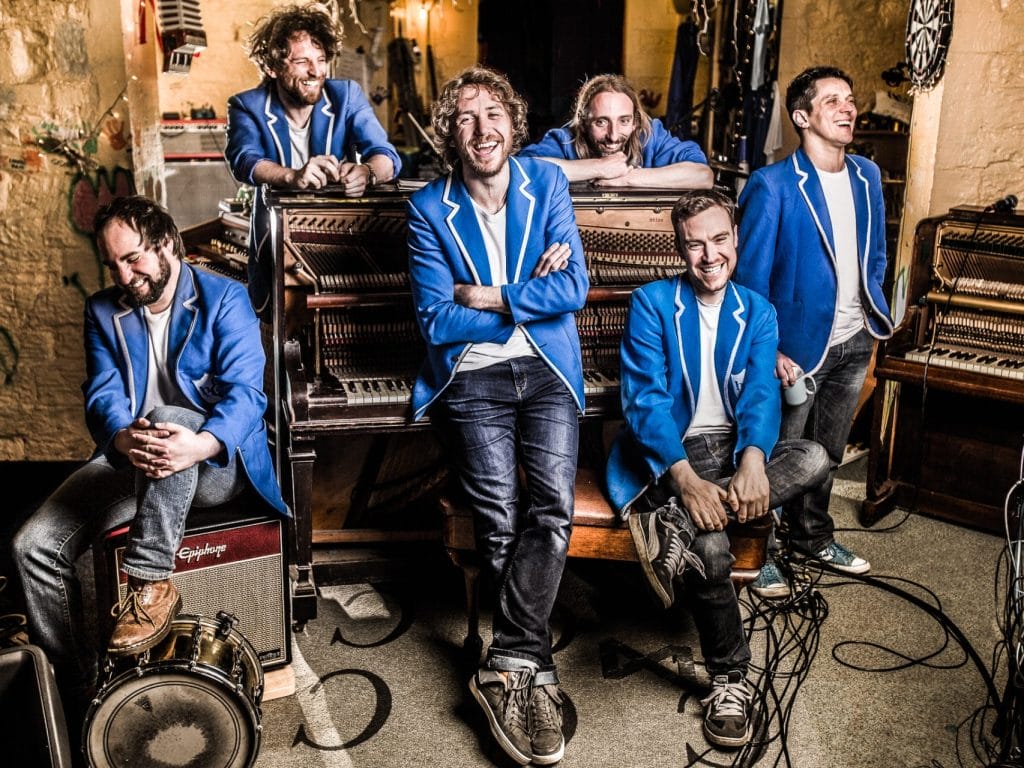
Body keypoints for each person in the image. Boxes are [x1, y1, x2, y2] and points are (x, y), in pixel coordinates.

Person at [12, 196, 288, 734]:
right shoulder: (101, 311)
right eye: (113, 263)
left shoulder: (225, 298)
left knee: (166, 415)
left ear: (166, 244)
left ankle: (150, 580)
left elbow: (248, 397)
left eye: (133, 258)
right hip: (135, 459)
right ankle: (76, 692)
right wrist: (120, 439)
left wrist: (199, 443)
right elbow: (102, 397)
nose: (124, 274)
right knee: (31, 546)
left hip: (212, 463)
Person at [407, 66, 589, 766]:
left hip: (546, 369)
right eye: (464, 118)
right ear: (451, 136)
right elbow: (434, 319)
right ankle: (531, 671)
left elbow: (572, 288)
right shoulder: (428, 208)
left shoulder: (547, 183)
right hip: (473, 378)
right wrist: (527, 295)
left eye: (493, 116)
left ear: (514, 123)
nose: (482, 130)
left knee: (552, 510)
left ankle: (506, 661)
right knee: (502, 518)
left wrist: (489, 296)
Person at [604, 188, 829, 749]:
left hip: (730, 450)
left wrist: (752, 459)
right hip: (673, 452)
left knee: (816, 457)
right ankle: (730, 678)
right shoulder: (652, 303)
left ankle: (677, 524)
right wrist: (683, 479)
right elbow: (644, 404)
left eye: (720, 240)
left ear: (735, 238)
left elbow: (760, 393)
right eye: (695, 245)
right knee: (711, 549)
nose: (710, 256)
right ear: (680, 249)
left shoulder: (757, 310)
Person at [735, 66, 894, 595]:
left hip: (854, 338)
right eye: (832, 101)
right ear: (802, 117)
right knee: (781, 450)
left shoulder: (868, 176)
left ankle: (812, 536)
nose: (848, 108)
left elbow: (875, 254)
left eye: (849, 99)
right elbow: (751, 280)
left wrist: (873, 311)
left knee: (827, 448)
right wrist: (770, 348)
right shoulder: (772, 184)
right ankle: (759, 548)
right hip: (796, 348)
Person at [225, 2, 402, 317]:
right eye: (302, 61)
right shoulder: (246, 105)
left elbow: (386, 155)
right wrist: (292, 177)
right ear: (273, 66)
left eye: (321, 60)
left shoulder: (346, 95)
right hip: (275, 246)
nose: (316, 72)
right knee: (282, 334)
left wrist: (367, 172)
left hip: (341, 246)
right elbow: (244, 160)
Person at [519, 73, 713, 189]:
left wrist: (627, 178)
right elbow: (522, 169)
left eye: (624, 121)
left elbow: (703, 176)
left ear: (636, 121)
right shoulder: (564, 140)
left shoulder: (651, 137)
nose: (613, 136)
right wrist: (599, 167)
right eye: (601, 122)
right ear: (584, 121)